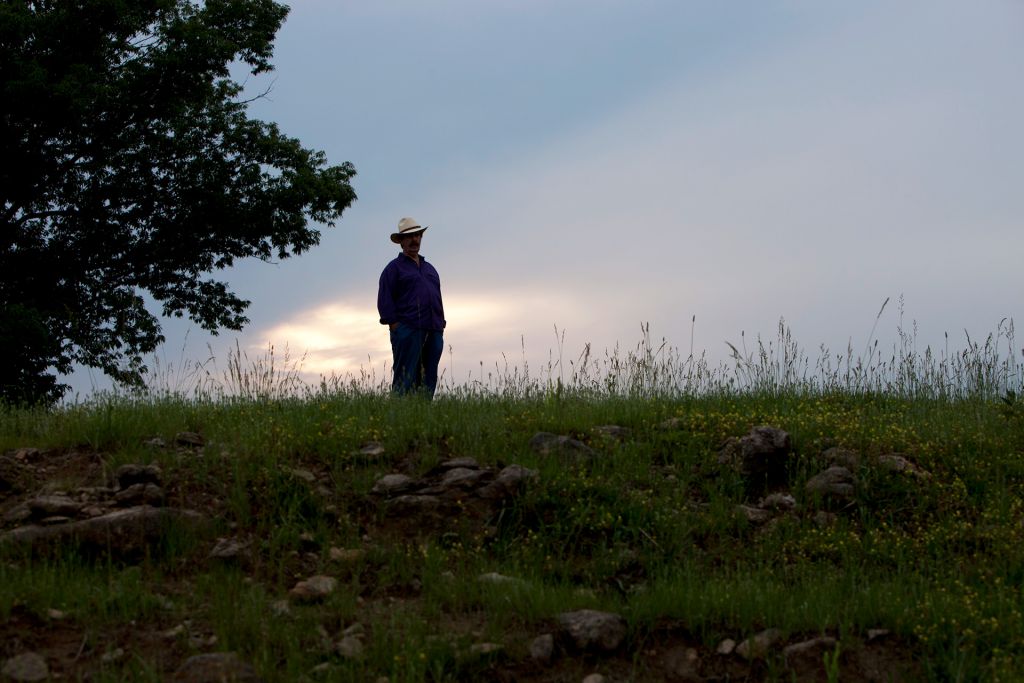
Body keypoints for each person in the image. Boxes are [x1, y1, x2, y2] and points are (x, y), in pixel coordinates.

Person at [377, 217, 446, 397]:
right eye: (409, 236)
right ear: (401, 241)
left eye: (417, 235)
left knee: (428, 377)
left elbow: (437, 298)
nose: (414, 240)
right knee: (405, 378)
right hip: (407, 330)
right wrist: (396, 327)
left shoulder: (430, 269)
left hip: (434, 330)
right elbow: (384, 300)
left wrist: (441, 324)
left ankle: (422, 416)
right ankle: (398, 418)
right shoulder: (393, 269)